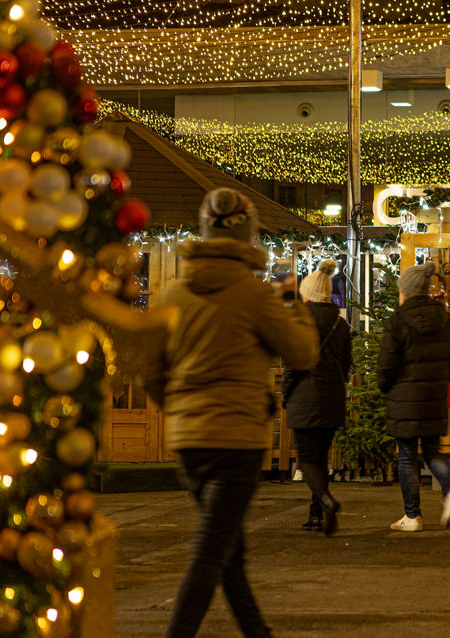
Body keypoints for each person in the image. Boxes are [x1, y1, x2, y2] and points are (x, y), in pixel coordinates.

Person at [144, 188, 318, 638]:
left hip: (189, 437)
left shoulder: (171, 296)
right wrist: (291, 303)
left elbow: (148, 369)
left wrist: (180, 406)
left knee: (227, 551)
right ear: (249, 234)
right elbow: (302, 353)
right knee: (212, 549)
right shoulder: (257, 295)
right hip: (238, 435)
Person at [377, 261, 450, 532]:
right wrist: (442, 378)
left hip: (402, 397)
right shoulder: (444, 319)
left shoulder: (397, 320)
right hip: (434, 396)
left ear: (404, 291)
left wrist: (386, 387)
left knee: (406, 455)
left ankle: (412, 516)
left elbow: (386, 364)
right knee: (432, 450)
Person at [284, 258, 352, 535]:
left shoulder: (299, 321)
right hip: (332, 396)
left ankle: (325, 501)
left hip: (305, 395)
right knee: (320, 457)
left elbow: (292, 365)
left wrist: (286, 396)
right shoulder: (341, 325)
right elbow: (347, 364)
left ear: (308, 294)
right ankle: (316, 514)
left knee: (306, 459)